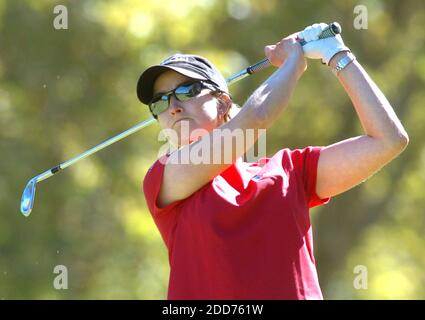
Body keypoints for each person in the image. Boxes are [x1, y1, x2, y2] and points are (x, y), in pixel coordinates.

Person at [136, 23, 409, 299]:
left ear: (222, 103)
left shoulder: (291, 171)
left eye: (186, 91)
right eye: (160, 102)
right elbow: (258, 116)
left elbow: (387, 140)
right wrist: (293, 62)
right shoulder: (163, 179)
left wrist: (336, 53)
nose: (173, 106)